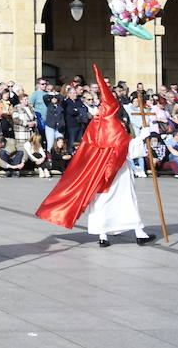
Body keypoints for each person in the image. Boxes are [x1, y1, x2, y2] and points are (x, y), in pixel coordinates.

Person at [37, 66, 156, 247]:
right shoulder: (113, 126)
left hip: (98, 172)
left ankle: (103, 236)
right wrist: (142, 136)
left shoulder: (96, 124)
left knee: (101, 201)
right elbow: (127, 148)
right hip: (118, 172)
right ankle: (138, 232)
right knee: (126, 200)